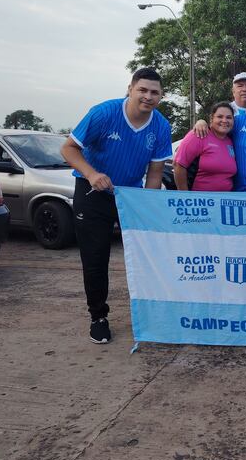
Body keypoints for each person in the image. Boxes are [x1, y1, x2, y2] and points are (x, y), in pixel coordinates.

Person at [60, 67, 172, 344]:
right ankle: (98, 316)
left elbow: (156, 172)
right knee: (96, 258)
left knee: (146, 254)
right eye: (142, 90)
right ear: (131, 88)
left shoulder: (160, 126)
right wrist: (91, 174)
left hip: (131, 196)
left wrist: (148, 205)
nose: (148, 96)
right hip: (92, 192)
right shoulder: (104, 113)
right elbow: (68, 149)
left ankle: (152, 312)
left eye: (154, 92)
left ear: (161, 96)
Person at [174, 102, 236, 192]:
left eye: (229, 117)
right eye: (220, 117)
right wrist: (184, 196)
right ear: (211, 119)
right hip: (199, 202)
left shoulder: (230, 141)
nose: (224, 120)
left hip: (223, 201)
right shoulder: (198, 135)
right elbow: (178, 164)